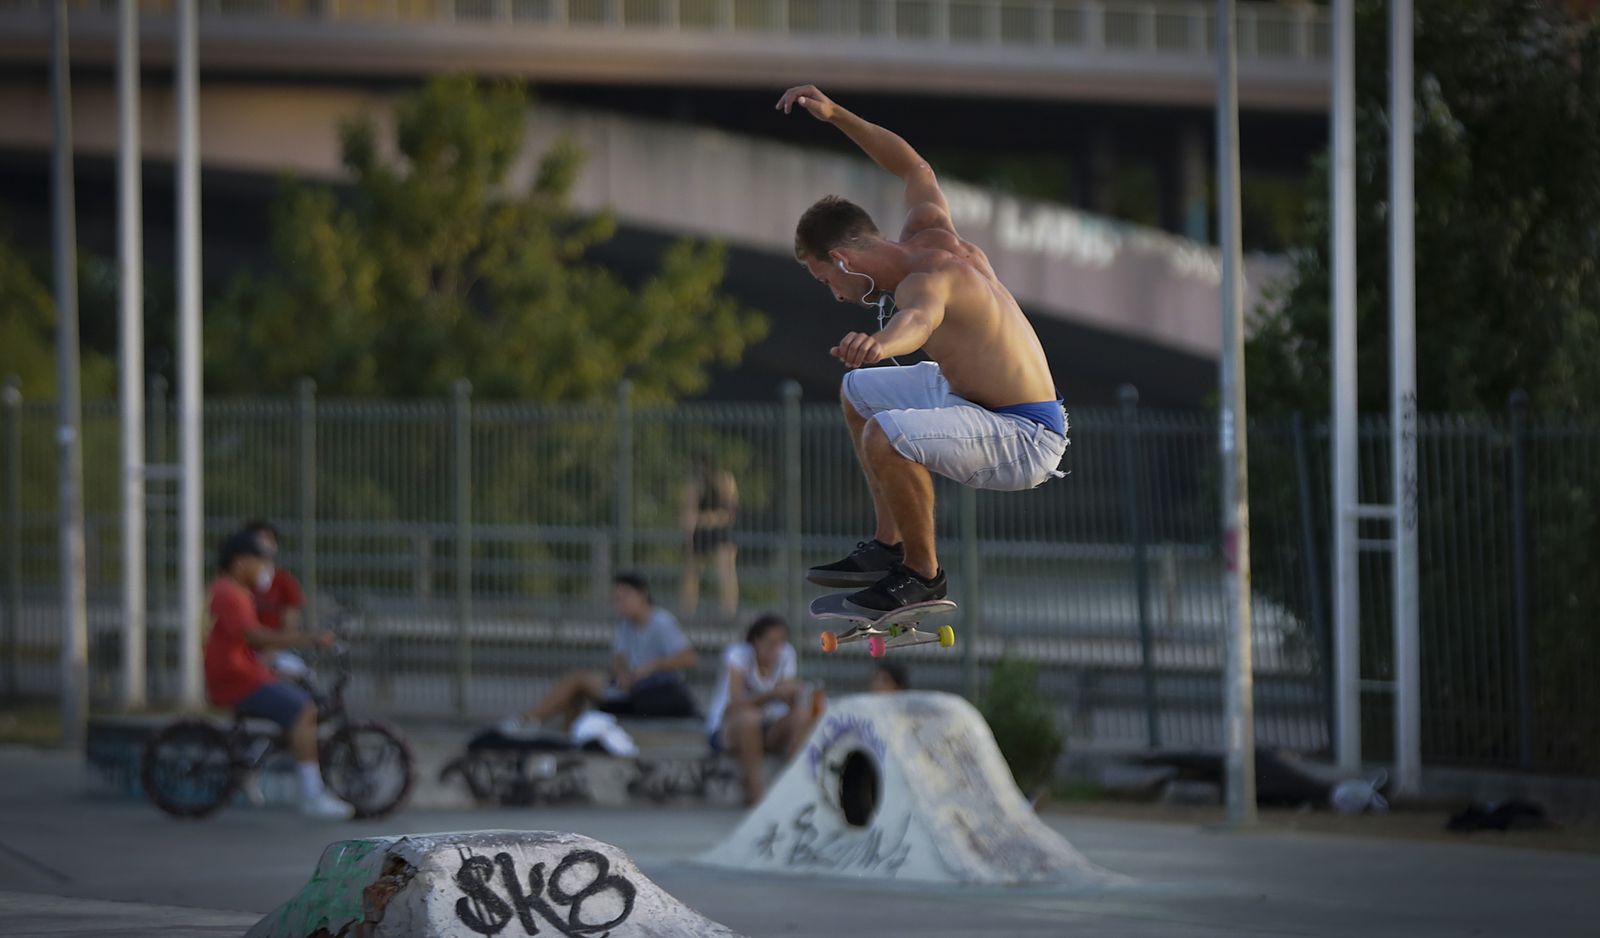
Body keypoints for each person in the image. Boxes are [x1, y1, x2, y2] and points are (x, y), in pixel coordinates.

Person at [778, 84, 1069, 615]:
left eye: (827, 281)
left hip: (1024, 433)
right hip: (974, 397)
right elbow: (914, 168)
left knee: (885, 433)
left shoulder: (928, 280)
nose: (835, 295)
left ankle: (922, 574)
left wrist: (880, 342)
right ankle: (888, 546)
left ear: (843, 260)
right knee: (857, 391)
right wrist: (837, 113)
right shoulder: (928, 229)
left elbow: (919, 320)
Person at [203, 529, 352, 819]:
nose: (265, 568)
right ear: (240, 562)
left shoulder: (234, 591)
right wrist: (308, 638)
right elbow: (255, 637)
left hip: (246, 672)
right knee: (304, 710)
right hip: (238, 679)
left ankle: (260, 759)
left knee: (295, 690)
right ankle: (312, 794)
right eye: (260, 561)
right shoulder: (229, 593)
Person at [522, 573, 699, 727]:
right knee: (577, 688)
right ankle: (568, 735)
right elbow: (619, 657)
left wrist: (653, 666)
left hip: (656, 693)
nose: (620, 604)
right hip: (631, 688)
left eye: (625, 597)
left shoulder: (661, 622)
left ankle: (529, 721)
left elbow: (689, 659)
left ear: (642, 594)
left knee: (577, 681)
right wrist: (622, 674)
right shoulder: (625, 624)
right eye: (617, 599)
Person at [706, 614, 818, 805]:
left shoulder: (786, 654)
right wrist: (771, 694)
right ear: (756, 641)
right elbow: (734, 706)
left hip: (768, 727)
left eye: (781, 642)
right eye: (771, 643)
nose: (776, 649)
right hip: (729, 729)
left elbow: (787, 698)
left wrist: (797, 693)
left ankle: (792, 781)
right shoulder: (738, 656)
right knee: (750, 717)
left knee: (801, 714)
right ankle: (754, 789)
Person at [243, 519, 309, 678]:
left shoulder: (285, 582)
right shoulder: (237, 583)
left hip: (275, 651)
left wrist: (270, 652)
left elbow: (289, 628)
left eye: (268, 539)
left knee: (297, 672)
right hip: (241, 652)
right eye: (258, 539)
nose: (264, 544)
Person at [679, 451, 739, 620]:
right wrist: (689, 536)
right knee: (691, 572)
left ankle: (728, 613)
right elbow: (688, 513)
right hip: (699, 531)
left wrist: (709, 518)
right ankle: (687, 612)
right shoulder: (694, 485)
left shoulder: (725, 480)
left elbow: (730, 512)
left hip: (720, 531)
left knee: (726, 570)